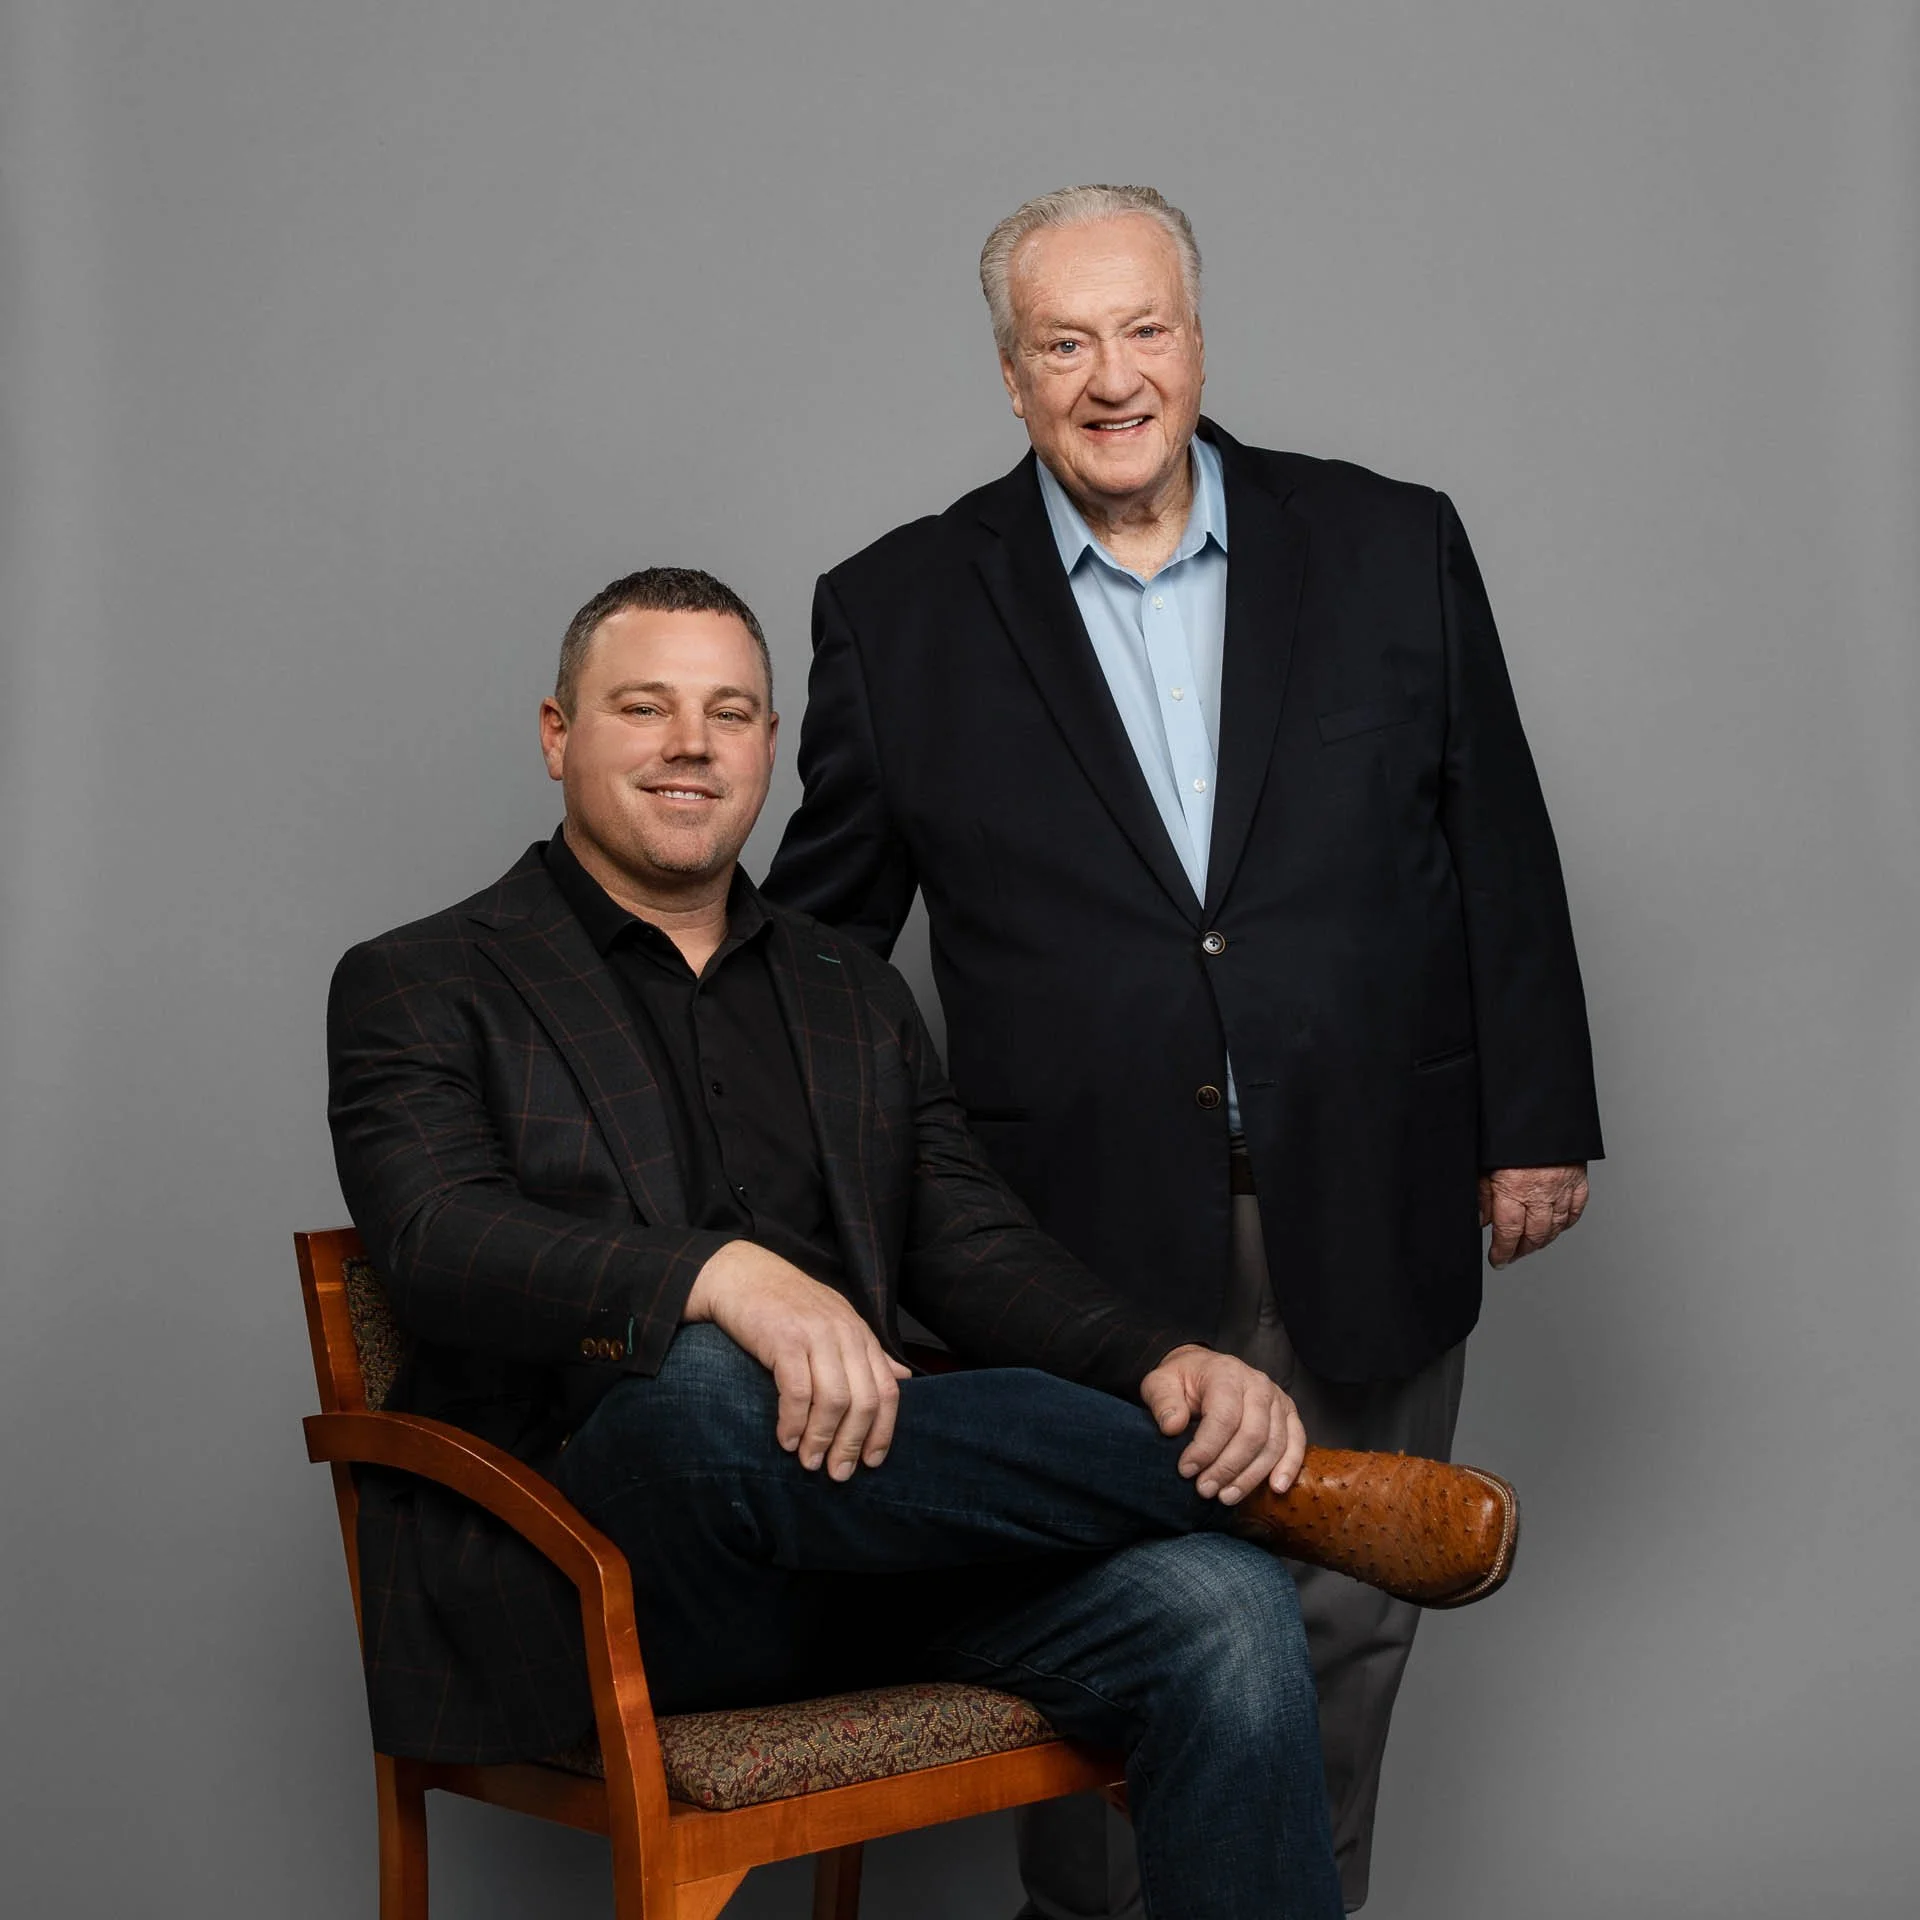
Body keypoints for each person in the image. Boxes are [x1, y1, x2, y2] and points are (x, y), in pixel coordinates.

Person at [327, 568, 1513, 1919]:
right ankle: (1248, 1485)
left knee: (1226, 1612)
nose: (688, 746)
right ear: (558, 734)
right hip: (605, 1586)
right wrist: (722, 1277)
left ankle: (1210, 1507)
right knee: (712, 1382)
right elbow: (435, 1241)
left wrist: (1158, 1357)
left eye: (729, 713)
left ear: (771, 746)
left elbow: (972, 1248)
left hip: (868, 1553)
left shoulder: (852, 991)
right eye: (642, 708)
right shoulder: (424, 981)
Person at [764, 184, 1604, 1915]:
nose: (1112, 377)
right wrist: (828, 1228)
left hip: (1369, 1178)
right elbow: (824, 948)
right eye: (1064, 342)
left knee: (1349, 1627)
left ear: (1199, 339)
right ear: (1009, 377)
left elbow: (1494, 842)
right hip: (1068, 1237)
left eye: (1143, 330)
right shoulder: (901, 608)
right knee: (1130, 1621)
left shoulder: (1391, 543)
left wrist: (1534, 1120)